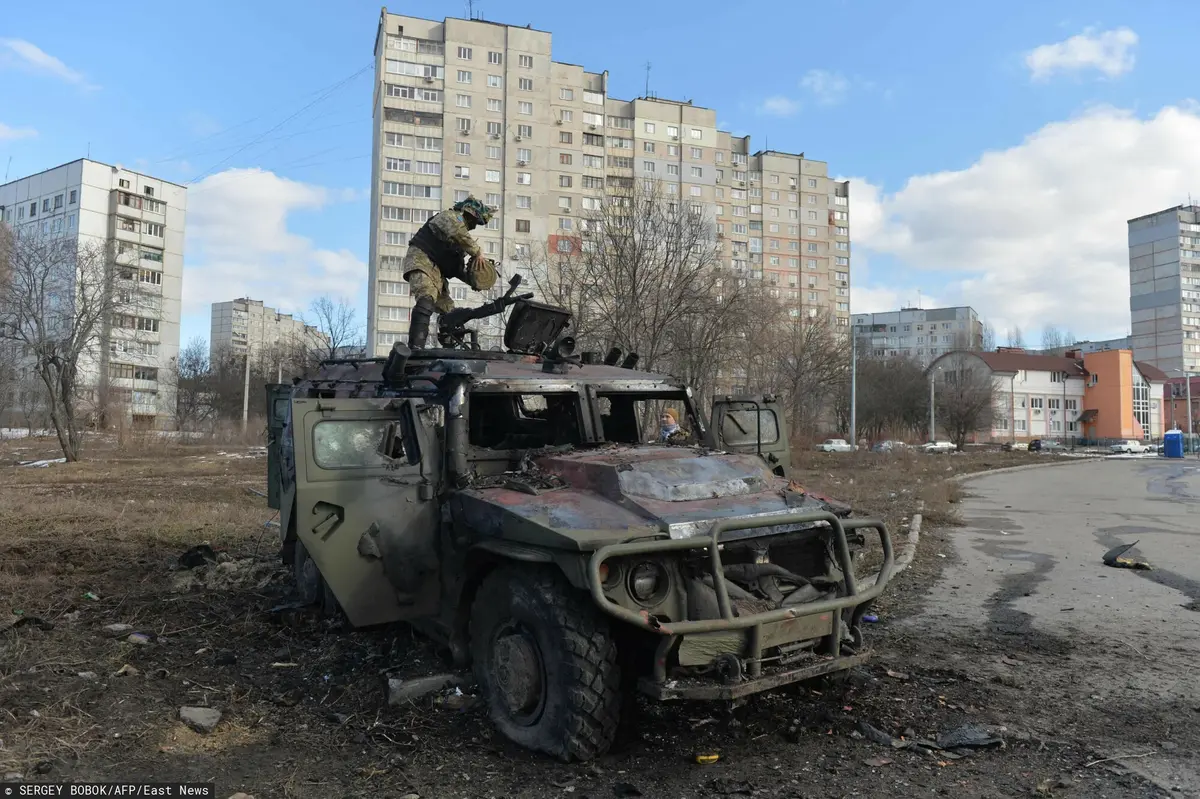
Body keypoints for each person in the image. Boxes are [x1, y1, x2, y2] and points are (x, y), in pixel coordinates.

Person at [403, 196, 499, 348]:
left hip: (437, 271)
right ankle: (415, 346)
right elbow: (458, 232)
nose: (474, 226)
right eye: (476, 221)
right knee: (426, 297)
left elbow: (456, 269)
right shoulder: (449, 217)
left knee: (448, 311)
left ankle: (450, 345)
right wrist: (477, 252)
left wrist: (475, 279)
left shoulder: (457, 243)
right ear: (469, 213)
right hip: (421, 259)